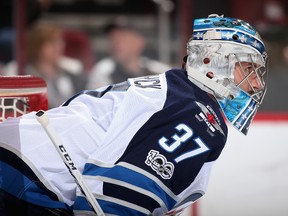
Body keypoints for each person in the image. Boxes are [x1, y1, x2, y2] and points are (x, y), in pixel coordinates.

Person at [0, 14, 268, 215]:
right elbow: (117, 199)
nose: (256, 84)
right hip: (22, 179)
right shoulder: (199, 116)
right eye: (247, 68)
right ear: (213, 61)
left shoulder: (177, 92)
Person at [3, 21, 87, 108]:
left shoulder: (73, 69)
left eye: (60, 41)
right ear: (36, 45)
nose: (60, 46)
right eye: (52, 42)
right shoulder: (18, 71)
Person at [86, 16, 171, 90]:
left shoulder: (159, 71)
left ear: (139, 42)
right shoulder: (102, 72)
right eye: (112, 38)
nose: (116, 43)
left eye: (123, 37)